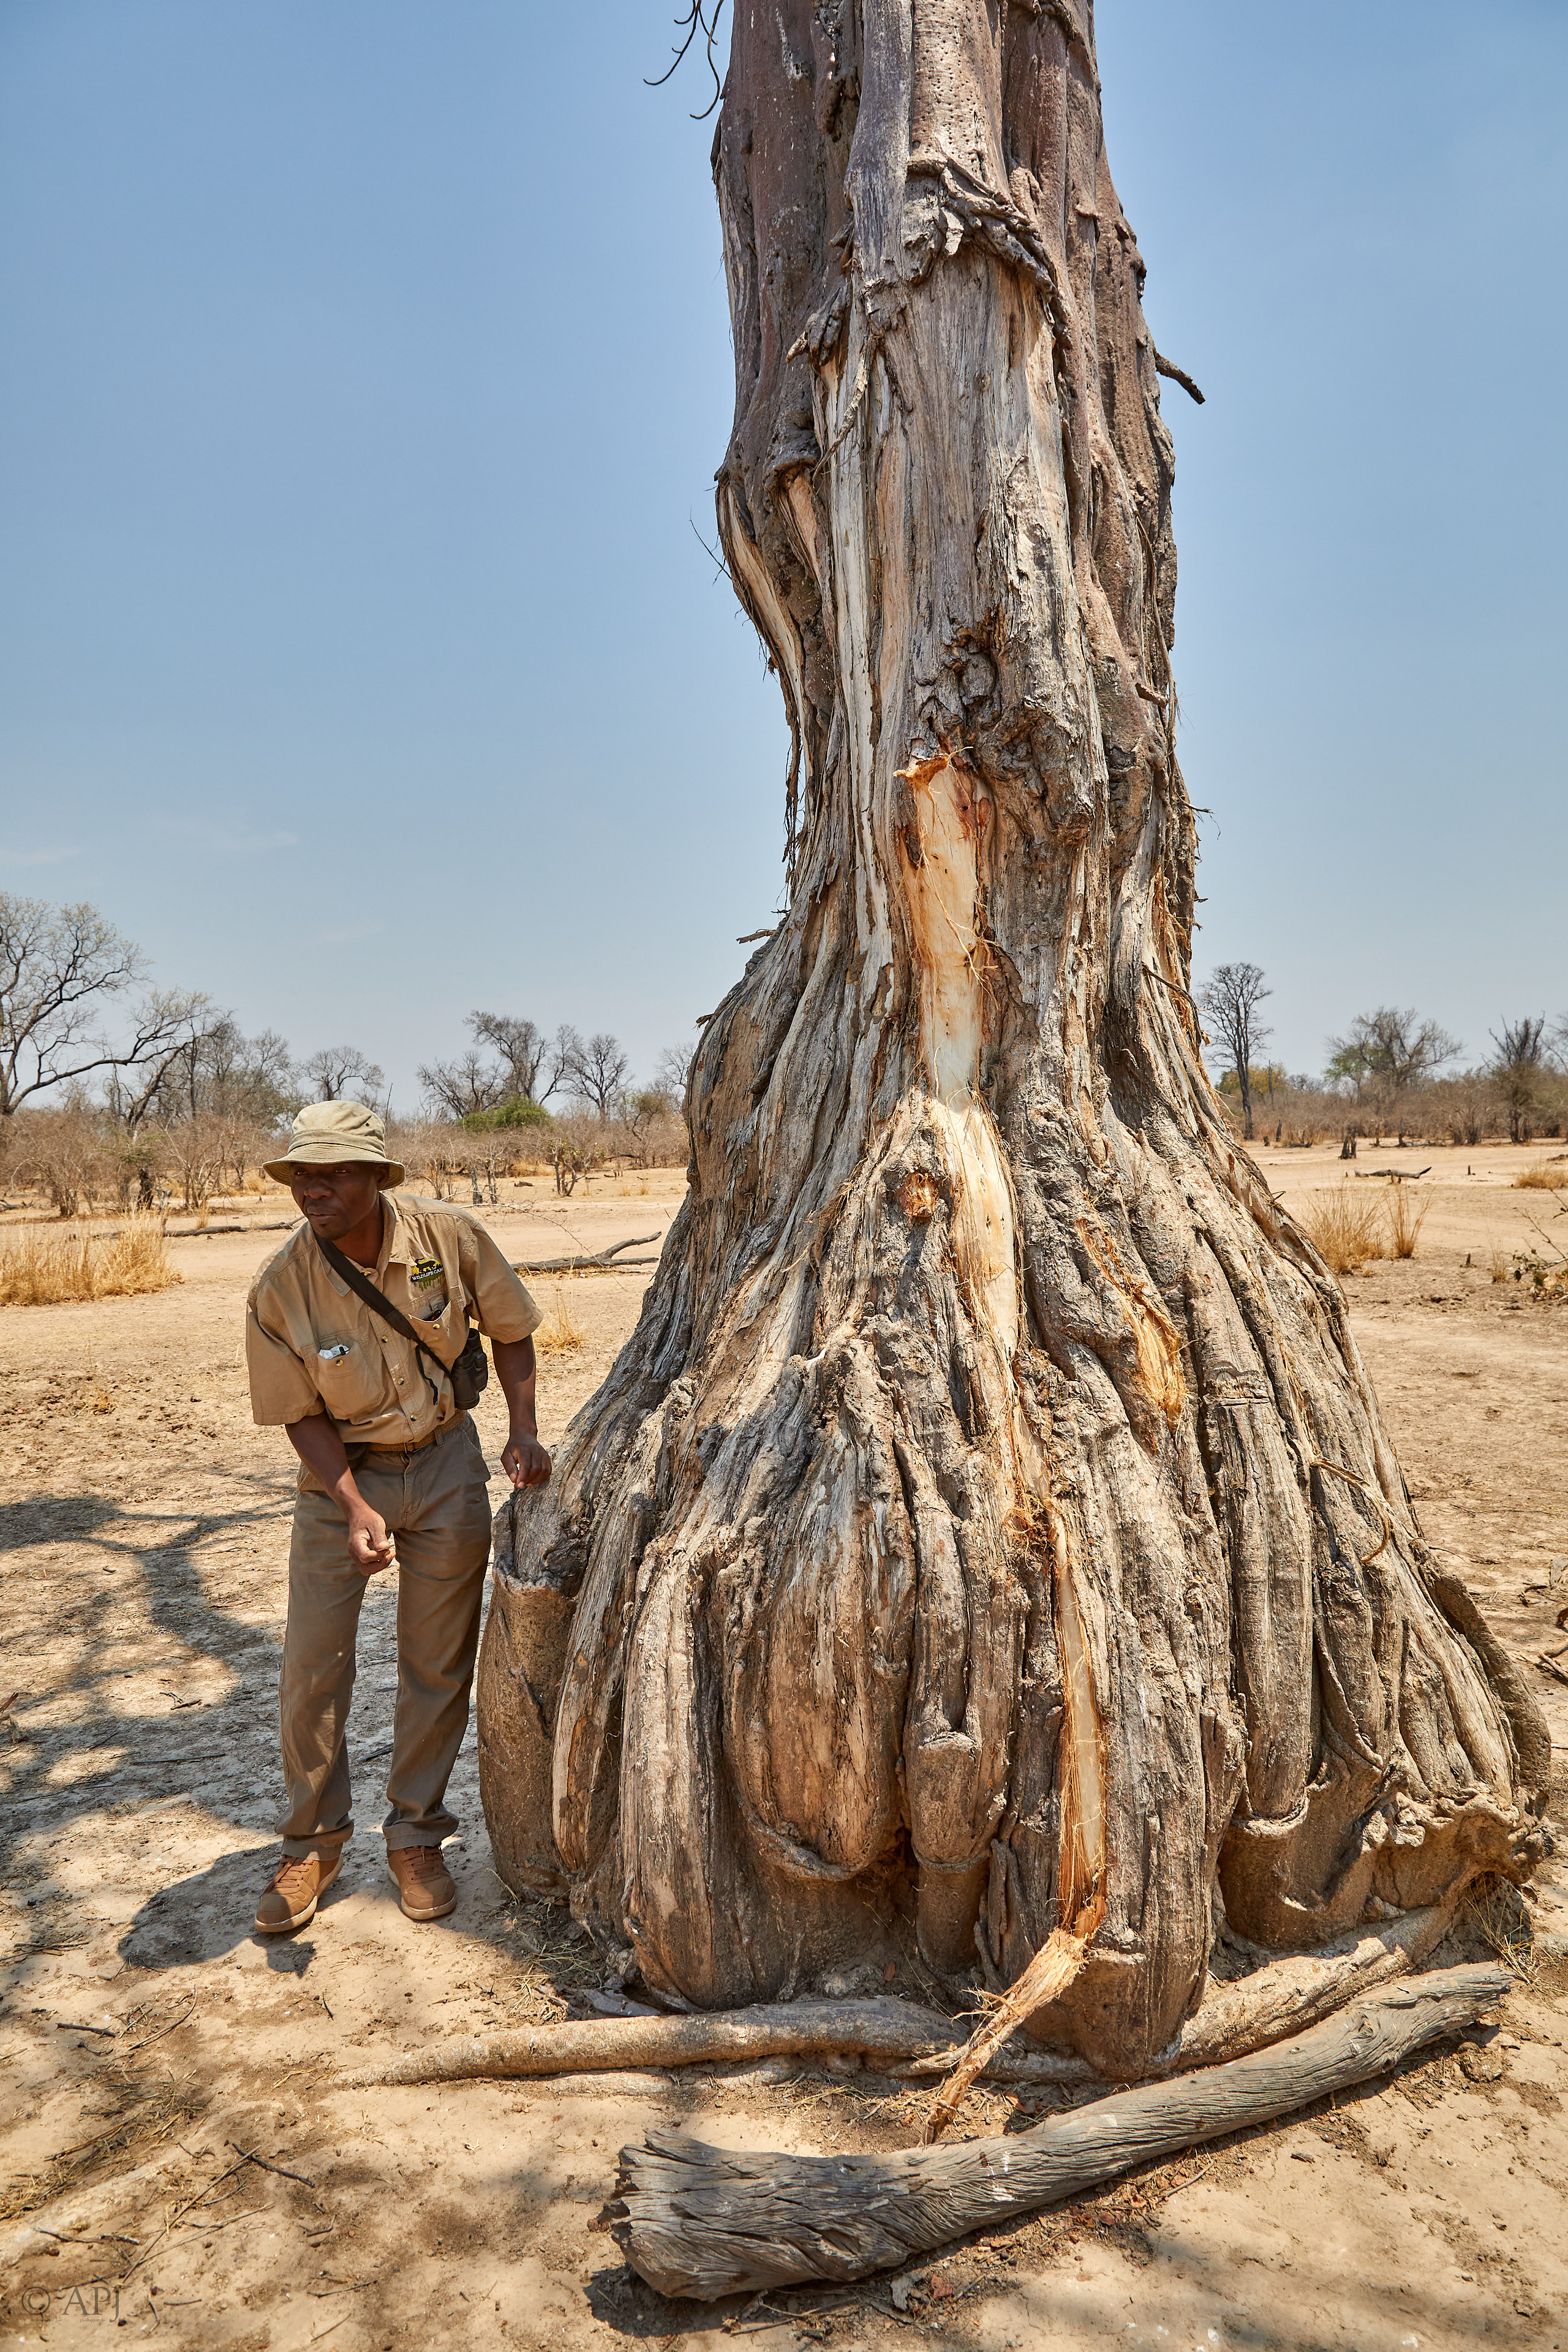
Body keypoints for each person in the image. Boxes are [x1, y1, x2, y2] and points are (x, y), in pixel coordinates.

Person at [244, 1099, 551, 1934]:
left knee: (436, 1663)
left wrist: (521, 1433)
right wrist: (349, 1506)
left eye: (333, 1172)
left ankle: (415, 1836)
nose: (314, 1189)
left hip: (448, 1465)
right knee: (313, 1669)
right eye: (303, 1173)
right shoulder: (281, 1287)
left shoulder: (448, 1238)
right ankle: (311, 1843)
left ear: (378, 1178)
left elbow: (513, 1331)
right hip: (343, 1478)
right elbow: (299, 1413)